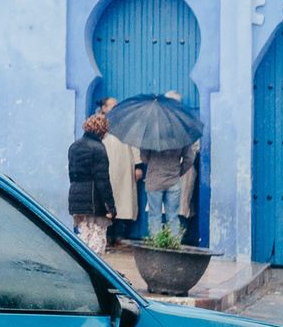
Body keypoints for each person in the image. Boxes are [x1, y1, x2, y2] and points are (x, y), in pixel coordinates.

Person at [140, 92, 200, 243]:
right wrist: (179, 171)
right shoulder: (182, 129)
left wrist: (153, 161)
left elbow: (144, 157)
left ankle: (157, 245)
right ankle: (174, 246)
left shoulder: (152, 129)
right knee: (173, 216)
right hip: (174, 180)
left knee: (155, 215)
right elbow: (190, 157)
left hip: (154, 181)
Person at [67, 113, 113, 251]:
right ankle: (93, 268)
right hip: (94, 201)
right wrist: (110, 207)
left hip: (76, 196)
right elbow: (102, 180)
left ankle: (81, 263)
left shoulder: (74, 146)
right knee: (98, 237)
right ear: (103, 130)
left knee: (84, 235)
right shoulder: (99, 149)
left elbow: (72, 174)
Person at [101, 98, 140, 247]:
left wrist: (138, 166)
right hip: (106, 168)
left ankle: (119, 235)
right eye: (113, 106)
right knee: (107, 202)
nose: (117, 108)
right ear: (104, 108)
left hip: (124, 167)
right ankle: (107, 236)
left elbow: (134, 144)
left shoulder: (126, 122)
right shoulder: (99, 123)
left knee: (124, 200)